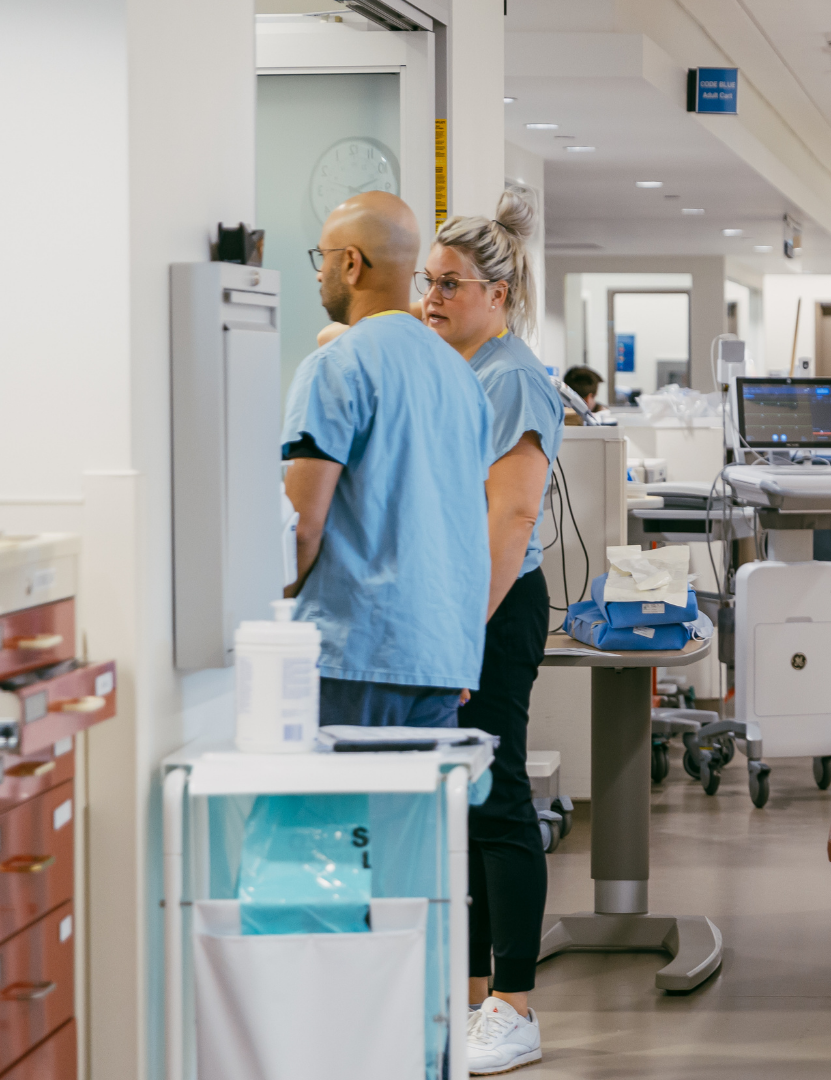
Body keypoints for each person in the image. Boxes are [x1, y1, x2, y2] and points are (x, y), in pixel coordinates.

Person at [419, 192, 562, 1075]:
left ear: (499, 293)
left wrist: (461, 638)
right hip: (452, 602)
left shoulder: (511, 375)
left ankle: (514, 1002)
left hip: (493, 606)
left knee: (499, 792)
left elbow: (508, 522)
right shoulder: (450, 367)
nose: (430, 298)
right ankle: (471, 993)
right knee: (463, 798)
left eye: (450, 284)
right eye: (426, 282)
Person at [281, 190, 493, 727]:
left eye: (321, 258)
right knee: (419, 813)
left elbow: (301, 527)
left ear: (350, 264)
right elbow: (469, 525)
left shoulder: (336, 365)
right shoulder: (462, 380)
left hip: (353, 658)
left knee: (337, 812)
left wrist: (269, 616)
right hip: (441, 658)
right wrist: (459, 645)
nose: (318, 274)